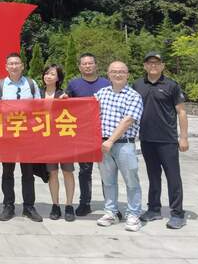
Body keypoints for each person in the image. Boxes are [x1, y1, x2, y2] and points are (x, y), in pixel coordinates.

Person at [133, 52, 189, 230]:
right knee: (153, 176)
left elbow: (181, 112)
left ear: (162, 66)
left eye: (157, 63)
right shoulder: (138, 85)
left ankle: (177, 213)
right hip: (146, 139)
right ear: (144, 66)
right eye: (149, 63)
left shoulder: (172, 85)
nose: (153, 65)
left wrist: (183, 137)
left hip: (167, 140)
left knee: (173, 176)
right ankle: (154, 209)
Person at [0, 52, 43, 222]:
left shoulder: (31, 83)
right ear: (6, 67)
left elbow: (39, 108)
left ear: (22, 66)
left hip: (27, 136)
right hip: (7, 137)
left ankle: (29, 207)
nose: (14, 66)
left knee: (28, 173)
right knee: (7, 172)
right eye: (11, 64)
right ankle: (8, 206)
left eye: (17, 63)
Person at [95, 61, 143, 232]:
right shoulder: (101, 93)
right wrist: (65, 100)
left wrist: (110, 140)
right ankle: (111, 212)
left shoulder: (133, 96)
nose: (118, 74)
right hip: (103, 145)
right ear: (108, 74)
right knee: (108, 181)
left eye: (122, 71)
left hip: (124, 145)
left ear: (127, 74)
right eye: (114, 71)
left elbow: (128, 120)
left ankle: (133, 214)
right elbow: (86, 108)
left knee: (131, 181)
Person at [64, 53, 111, 217]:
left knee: (107, 171)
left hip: (104, 132)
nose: (87, 66)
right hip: (83, 134)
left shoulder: (106, 83)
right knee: (85, 171)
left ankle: (110, 205)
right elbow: (66, 107)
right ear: (80, 67)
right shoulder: (74, 84)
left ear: (96, 65)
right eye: (84, 64)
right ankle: (84, 203)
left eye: (90, 63)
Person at [41, 64, 75, 222]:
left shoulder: (64, 95)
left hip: (64, 140)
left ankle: (69, 205)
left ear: (58, 78)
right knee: (52, 173)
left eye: (52, 74)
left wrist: (67, 102)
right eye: (46, 73)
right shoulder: (37, 94)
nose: (48, 76)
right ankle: (55, 205)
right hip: (47, 141)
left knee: (67, 172)